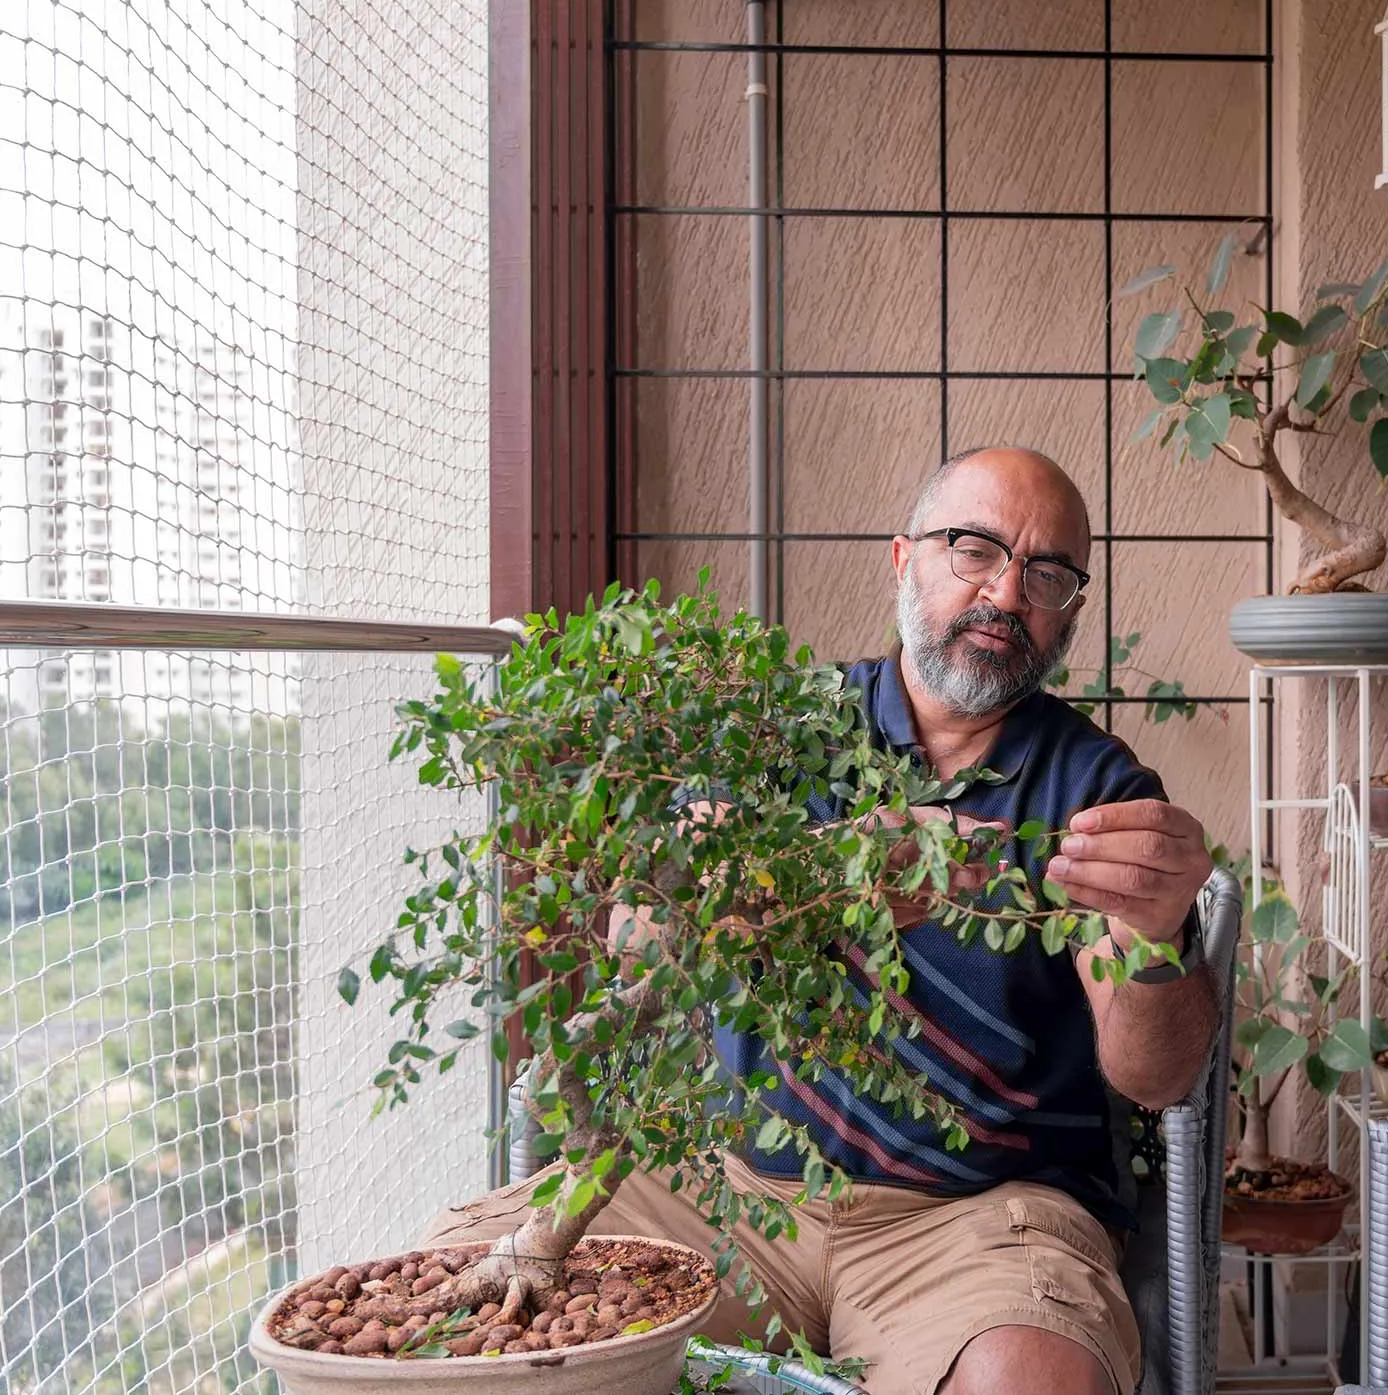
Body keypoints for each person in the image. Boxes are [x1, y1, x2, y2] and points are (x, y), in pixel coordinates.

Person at [421, 447, 1218, 1395]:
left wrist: (1162, 940)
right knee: (442, 1297)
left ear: (1069, 609)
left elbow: (1158, 1075)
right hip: (727, 1191)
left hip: (975, 1223)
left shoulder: (1092, 792)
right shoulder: (775, 730)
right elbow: (639, 937)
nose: (1005, 591)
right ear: (902, 559)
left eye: (1046, 572)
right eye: (974, 548)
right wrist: (807, 870)